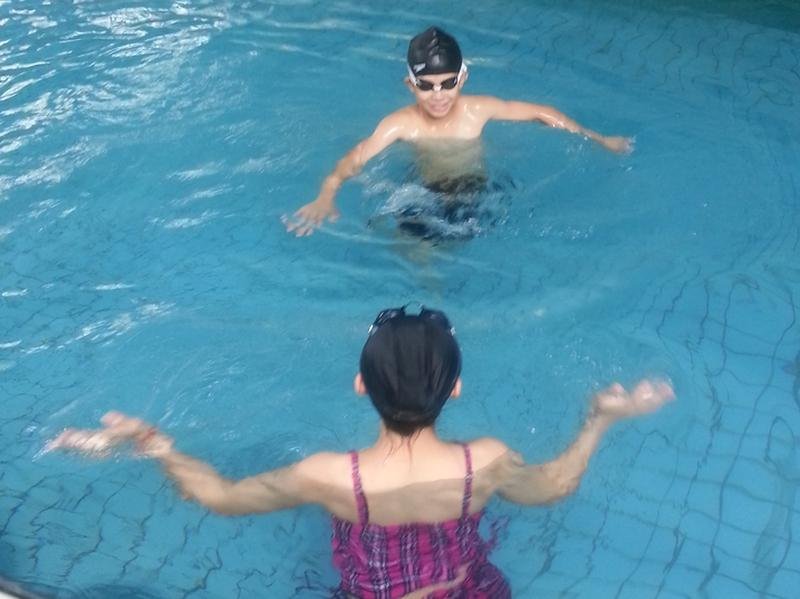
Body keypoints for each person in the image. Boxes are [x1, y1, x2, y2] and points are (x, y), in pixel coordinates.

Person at [48, 306, 674, 598]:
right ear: (455, 389)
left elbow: (220, 497)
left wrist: (154, 444)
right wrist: (598, 420)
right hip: (470, 590)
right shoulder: (482, 463)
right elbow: (555, 486)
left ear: (359, 385)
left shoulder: (328, 477)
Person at [285, 27, 633, 238]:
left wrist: (597, 138)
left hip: (478, 191)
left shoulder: (478, 110)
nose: (438, 95)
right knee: (413, 249)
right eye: (427, 85)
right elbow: (355, 158)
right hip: (423, 195)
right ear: (410, 85)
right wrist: (326, 195)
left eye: (448, 83)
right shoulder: (401, 124)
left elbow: (541, 113)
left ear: (462, 79)